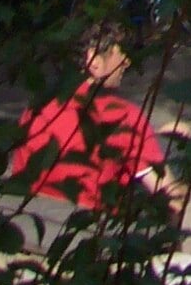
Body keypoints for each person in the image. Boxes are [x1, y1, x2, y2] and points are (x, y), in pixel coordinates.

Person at [11, 32, 169, 217]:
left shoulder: (38, 107)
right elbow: (169, 196)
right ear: (93, 60)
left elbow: (19, 180)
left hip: (28, 227)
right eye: (121, 54)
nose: (127, 62)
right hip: (91, 234)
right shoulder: (125, 117)